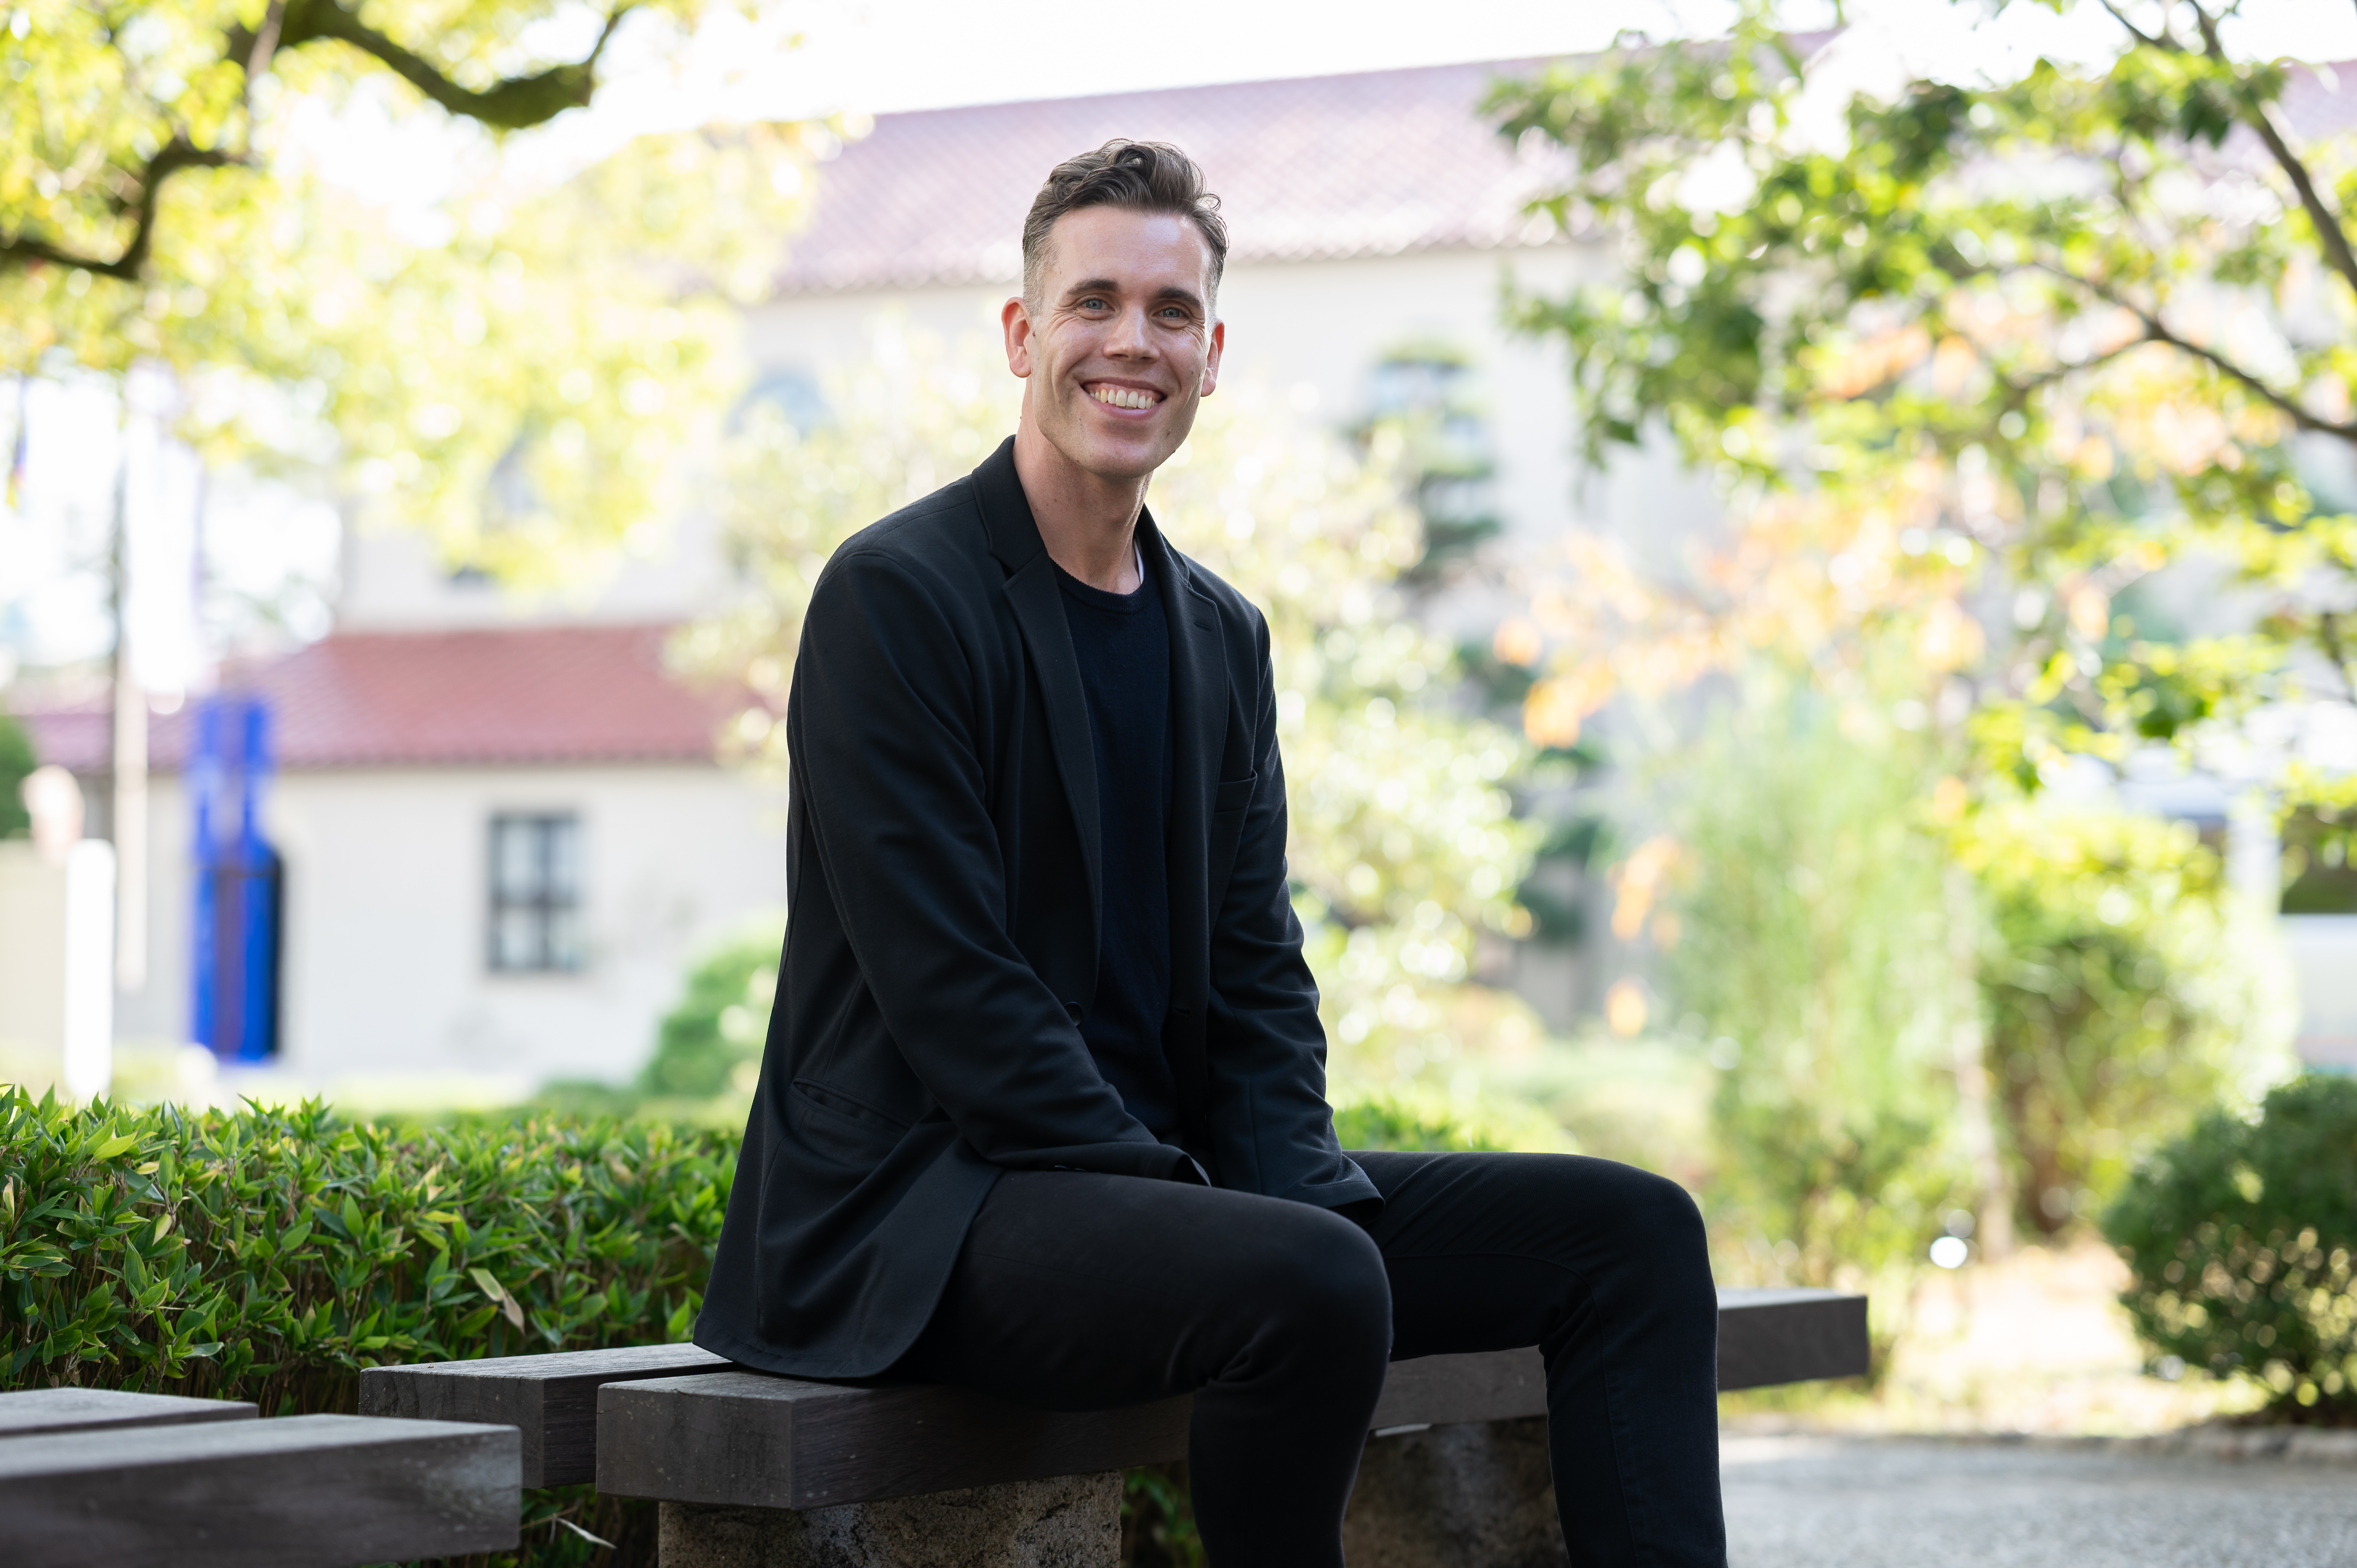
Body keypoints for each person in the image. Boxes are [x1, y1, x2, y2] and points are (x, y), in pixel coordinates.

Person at [695, 139, 1724, 1568]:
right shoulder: (898, 595)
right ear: (1024, 335)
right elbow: (952, 988)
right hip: (927, 1212)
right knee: (1307, 1280)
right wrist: (1203, 1206)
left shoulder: (1219, 633)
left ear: (1213, 356)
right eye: (1095, 302)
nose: (1134, 341)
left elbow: (1256, 971)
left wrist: (1288, 1181)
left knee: (1633, 1238)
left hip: (1175, 1192)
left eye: (1171, 312)